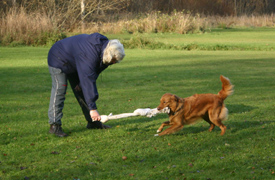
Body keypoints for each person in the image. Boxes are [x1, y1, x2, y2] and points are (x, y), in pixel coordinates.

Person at [47, 33, 125, 137]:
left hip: (75, 61)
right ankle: (54, 126)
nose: (114, 63)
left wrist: (82, 85)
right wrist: (93, 109)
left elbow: (94, 73)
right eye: (114, 60)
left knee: (82, 90)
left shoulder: (105, 50)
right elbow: (88, 79)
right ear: (109, 55)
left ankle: (92, 122)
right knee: (59, 90)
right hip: (58, 58)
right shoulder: (90, 54)